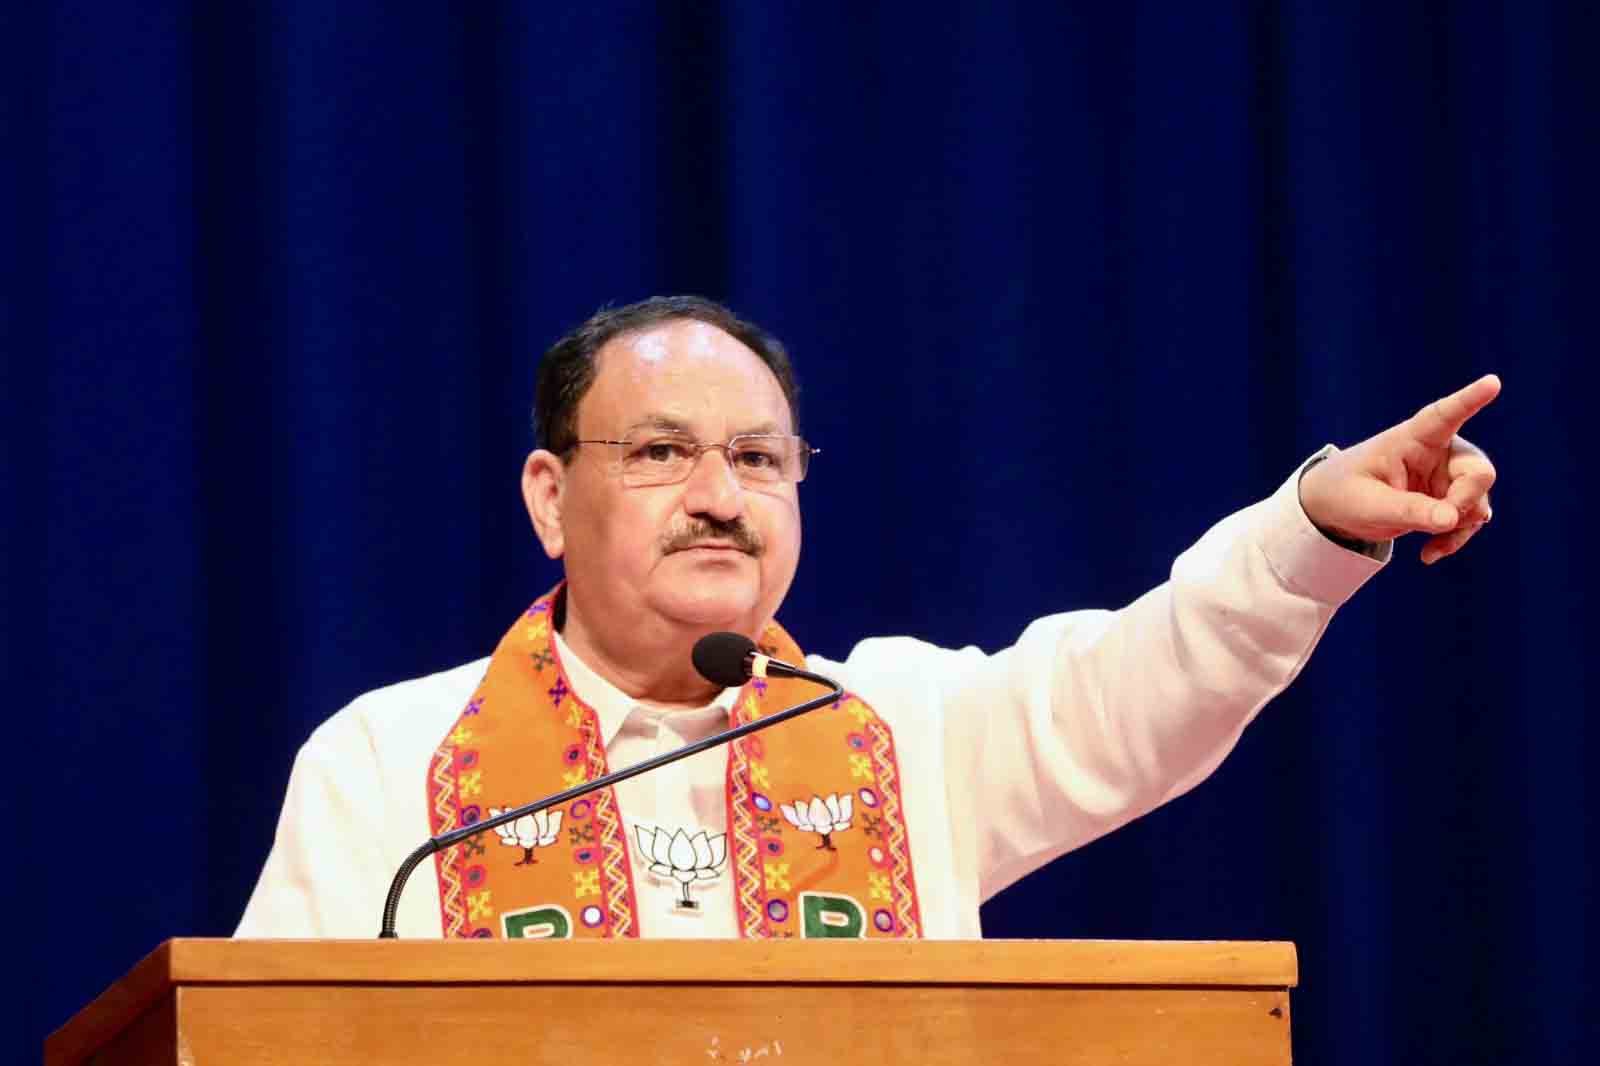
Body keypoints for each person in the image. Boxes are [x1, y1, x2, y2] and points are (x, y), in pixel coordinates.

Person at [235, 295, 1499, 940]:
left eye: (760, 458)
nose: (720, 499)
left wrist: (1313, 529)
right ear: (552, 497)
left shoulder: (893, 723)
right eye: (664, 452)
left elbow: (1140, 684)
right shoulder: (389, 763)